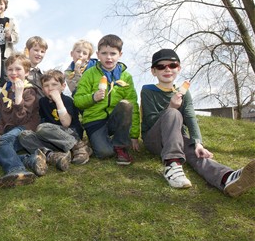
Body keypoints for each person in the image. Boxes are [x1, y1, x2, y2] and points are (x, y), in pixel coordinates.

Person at [141, 49, 255, 196]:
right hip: (154, 139)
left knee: (197, 154)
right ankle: (172, 165)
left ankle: (226, 178)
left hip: (176, 139)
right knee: (173, 113)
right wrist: (171, 106)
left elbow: (190, 116)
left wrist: (197, 142)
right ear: (153, 71)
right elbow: (150, 121)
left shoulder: (183, 92)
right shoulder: (147, 91)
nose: (167, 69)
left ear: (179, 68)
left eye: (172, 65)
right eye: (161, 67)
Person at [73, 34, 139, 165]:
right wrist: (93, 97)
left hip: (115, 119)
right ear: (97, 54)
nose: (108, 57)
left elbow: (134, 106)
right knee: (105, 153)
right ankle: (97, 141)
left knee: (126, 104)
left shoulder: (126, 76)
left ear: (120, 54)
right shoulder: (89, 74)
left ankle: (121, 146)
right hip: (94, 120)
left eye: (113, 53)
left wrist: (134, 135)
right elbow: (77, 100)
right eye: (104, 53)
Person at [0, 53, 40, 189]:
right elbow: (2, 116)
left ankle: (17, 170)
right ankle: (30, 160)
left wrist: (18, 97)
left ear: (27, 72)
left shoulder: (30, 92)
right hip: (9, 130)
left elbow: (21, 119)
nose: (14, 73)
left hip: (25, 129)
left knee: (2, 143)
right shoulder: (5, 91)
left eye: (18, 69)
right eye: (10, 69)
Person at [18, 70, 92, 176]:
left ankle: (78, 147)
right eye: (46, 86)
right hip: (52, 139)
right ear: (42, 89)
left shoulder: (67, 100)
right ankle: (52, 156)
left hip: (70, 134)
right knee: (24, 135)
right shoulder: (42, 102)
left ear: (63, 86)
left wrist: (58, 101)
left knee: (43, 128)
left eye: (54, 84)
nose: (50, 88)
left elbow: (66, 123)